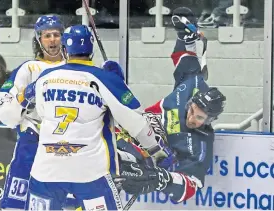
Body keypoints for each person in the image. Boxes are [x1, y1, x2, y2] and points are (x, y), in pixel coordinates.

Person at [21, 24, 173, 211]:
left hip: (46, 170)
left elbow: (28, 102)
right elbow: (136, 121)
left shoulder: (45, 77)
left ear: (65, 49)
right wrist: (157, 151)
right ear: (91, 49)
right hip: (89, 173)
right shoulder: (104, 79)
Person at [114, 7, 227, 204]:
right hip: (124, 126)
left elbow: (191, 185)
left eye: (200, 118)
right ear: (192, 101)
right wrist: (186, 31)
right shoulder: (192, 86)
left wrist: (162, 180)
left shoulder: (200, 143)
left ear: (210, 120)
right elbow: (186, 54)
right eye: (192, 111)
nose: (192, 119)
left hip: (137, 156)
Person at [0, 15, 65, 211]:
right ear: (39, 39)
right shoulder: (28, 68)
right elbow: (5, 112)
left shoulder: (76, 68)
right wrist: (24, 97)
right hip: (32, 141)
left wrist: (111, 78)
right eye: (47, 35)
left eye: (57, 35)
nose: (52, 40)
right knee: (17, 202)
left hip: (67, 144)